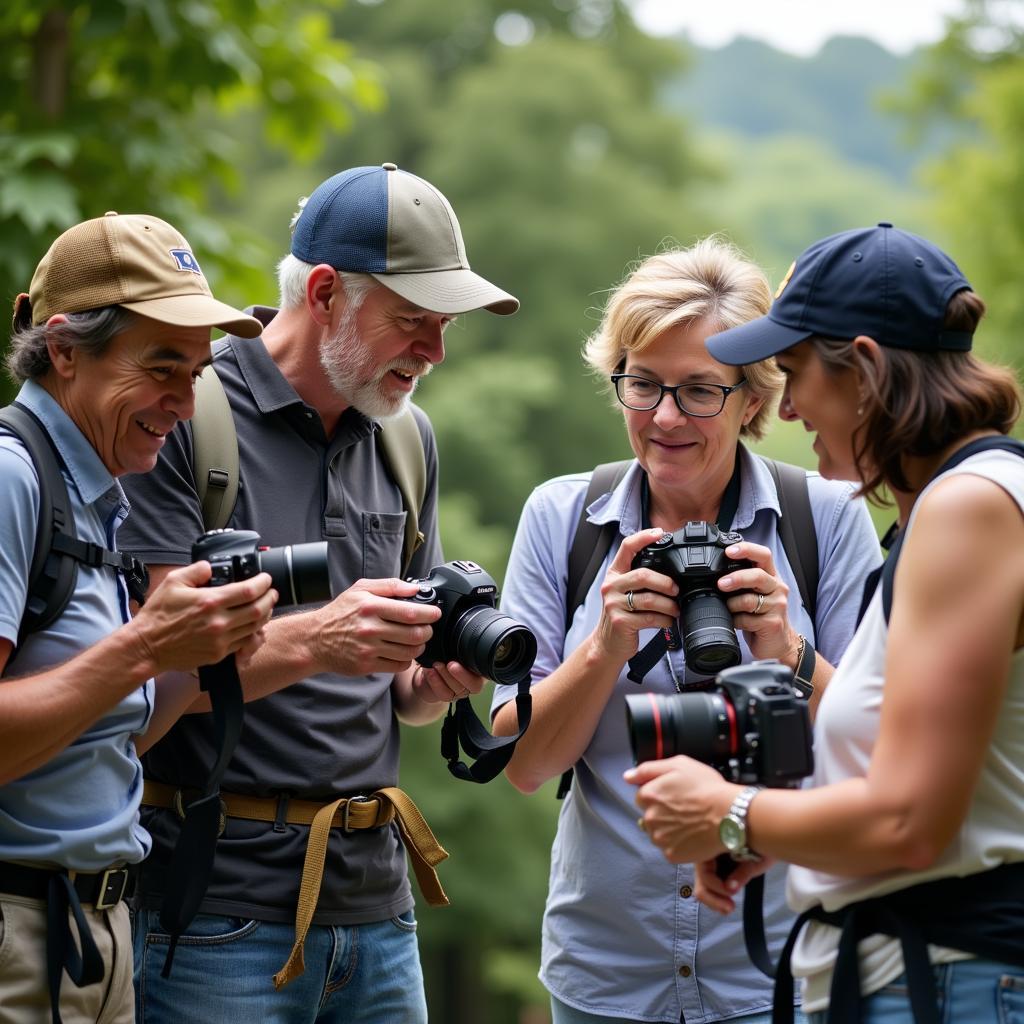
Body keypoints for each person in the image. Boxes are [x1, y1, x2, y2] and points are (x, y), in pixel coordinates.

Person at [116, 162, 520, 1023]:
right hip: (216, 919)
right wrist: (316, 640)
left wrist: (434, 678)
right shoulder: (183, 416)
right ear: (327, 292)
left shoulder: (407, 437)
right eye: (414, 321)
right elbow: (142, 685)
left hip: (379, 908)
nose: (436, 353)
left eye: (444, 326)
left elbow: (399, 697)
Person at [628, 223, 1024, 1024]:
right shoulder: (975, 496)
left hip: (945, 984)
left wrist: (728, 813)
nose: (789, 403)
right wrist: (783, 837)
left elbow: (911, 823)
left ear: (868, 368)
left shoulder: (967, 508)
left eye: (796, 371)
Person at [491, 238, 881, 1024]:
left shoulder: (826, 520)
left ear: (754, 399)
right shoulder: (564, 518)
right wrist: (605, 644)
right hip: (608, 973)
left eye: (700, 391)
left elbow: (882, 749)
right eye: (643, 385)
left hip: (782, 969)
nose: (665, 417)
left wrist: (787, 653)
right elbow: (524, 764)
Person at [0, 212, 278, 1024]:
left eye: (196, 374)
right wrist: (143, 645)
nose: (184, 405)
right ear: (63, 350)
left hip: (97, 935)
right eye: (163, 368)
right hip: (21, 934)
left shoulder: (95, 494)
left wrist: (199, 655)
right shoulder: (16, 479)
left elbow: (103, 734)